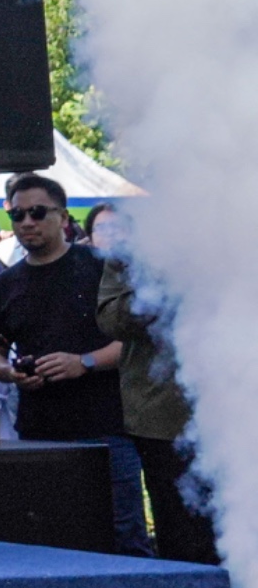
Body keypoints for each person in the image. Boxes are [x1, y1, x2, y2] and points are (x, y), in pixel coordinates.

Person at [0, 174, 146, 555]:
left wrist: (84, 362)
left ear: (62, 216)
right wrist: (11, 372)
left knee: (123, 536)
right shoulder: (4, 284)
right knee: (53, 539)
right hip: (40, 431)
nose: (27, 222)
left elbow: (134, 340)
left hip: (107, 426)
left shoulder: (100, 267)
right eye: (18, 215)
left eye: (38, 212)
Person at [94, 204, 217, 564]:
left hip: (238, 408)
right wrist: (163, 282)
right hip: (165, 417)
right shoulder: (135, 246)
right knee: (182, 533)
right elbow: (110, 318)